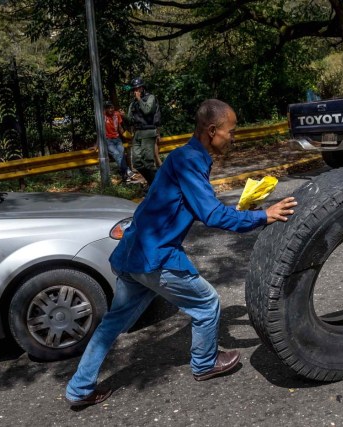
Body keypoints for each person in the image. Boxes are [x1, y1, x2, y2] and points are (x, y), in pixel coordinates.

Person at [64, 99, 298, 408]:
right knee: (207, 304)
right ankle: (204, 364)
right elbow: (213, 215)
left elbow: (196, 207)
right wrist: (263, 216)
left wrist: (242, 210)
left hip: (133, 254)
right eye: (230, 131)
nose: (233, 137)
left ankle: (79, 389)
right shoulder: (189, 161)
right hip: (155, 257)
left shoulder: (184, 157)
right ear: (212, 130)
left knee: (112, 324)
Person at [126, 77, 161, 186]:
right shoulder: (133, 104)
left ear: (142, 88)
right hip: (137, 133)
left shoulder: (150, 98)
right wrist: (123, 116)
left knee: (148, 162)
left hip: (148, 131)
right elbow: (130, 120)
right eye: (134, 89)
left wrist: (139, 99)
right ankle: (153, 182)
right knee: (137, 163)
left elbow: (147, 110)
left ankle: (157, 185)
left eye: (137, 88)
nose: (135, 91)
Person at [101, 101, 135, 183]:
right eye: (108, 108)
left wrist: (126, 136)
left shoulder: (117, 114)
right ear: (105, 109)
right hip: (108, 140)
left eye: (111, 107)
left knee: (121, 156)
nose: (110, 109)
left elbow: (120, 127)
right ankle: (127, 170)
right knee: (116, 154)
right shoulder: (102, 116)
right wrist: (97, 144)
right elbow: (99, 130)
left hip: (117, 139)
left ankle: (125, 177)